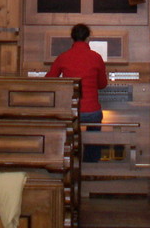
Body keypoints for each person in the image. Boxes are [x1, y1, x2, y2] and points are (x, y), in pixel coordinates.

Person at [46, 23, 107, 162]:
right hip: (92, 111)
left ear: (72, 39)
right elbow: (103, 85)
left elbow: (49, 80)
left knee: (67, 131)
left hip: (71, 110)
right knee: (95, 126)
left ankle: (69, 161)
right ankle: (91, 164)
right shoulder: (96, 57)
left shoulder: (63, 57)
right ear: (88, 38)